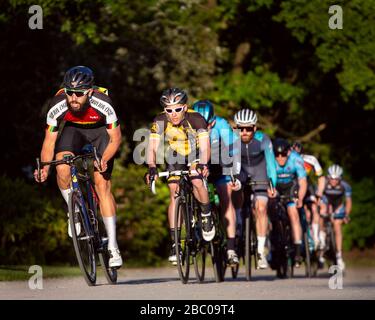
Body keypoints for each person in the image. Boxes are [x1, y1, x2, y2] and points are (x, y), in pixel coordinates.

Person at [34, 66, 123, 268]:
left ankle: (113, 246)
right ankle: (72, 209)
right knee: (62, 166)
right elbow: (49, 142)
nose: (73, 98)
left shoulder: (104, 103)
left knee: (102, 185)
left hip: (101, 133)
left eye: (79, 94)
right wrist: (45, 168)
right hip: (74, 131)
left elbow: (116, 139)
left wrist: (105, 159)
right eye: (69, 92)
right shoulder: (57, 105)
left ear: (90, 92)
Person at [145, 88, 215, 265]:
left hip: (196, 152)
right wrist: (152, 167)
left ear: (185, 107)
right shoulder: (160, 120)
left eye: (177, 109)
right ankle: (175, 244)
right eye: (169, 110)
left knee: (196, 179)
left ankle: (206, 215)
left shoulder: (197, 119)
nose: (173, 114)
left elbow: (206, 147)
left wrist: (203, 164)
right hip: (175, 154)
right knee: (174, 191)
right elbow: (152, 147)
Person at [192, 100, 241, 266]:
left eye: (207, 125)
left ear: (213, 121)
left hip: (220, 164)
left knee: (226, 198)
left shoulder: (221, 125)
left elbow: (233, 149)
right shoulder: (189, 123)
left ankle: (231, 249)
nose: (204, 128)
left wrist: (234, 172)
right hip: (199, 163)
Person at [232, 109, 277, 269]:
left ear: (255, 128)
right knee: (234, 196)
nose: (244, 132)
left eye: (248, 128)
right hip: (241, 173)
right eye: (240, 128)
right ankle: (236, 227)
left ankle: (260, 251)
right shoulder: (231, 140)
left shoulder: (263, 140)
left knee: (261, 208)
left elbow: (271, 164)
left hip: (260, 174)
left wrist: (272, 183)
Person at [270, 138, 307, 268]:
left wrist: (301, 198)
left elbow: (302, 181)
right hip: (276, 187)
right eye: (277, 155)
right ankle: (272, 247)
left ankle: (297, 250)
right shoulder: (270, 159)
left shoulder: (296, 159)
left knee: (293, 214)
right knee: (272, 213)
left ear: (288, 153)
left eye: (283, 154)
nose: (280, 158)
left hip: (291, 187)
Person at [292, 141, 326, 248]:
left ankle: (315, 237)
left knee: (315, 208)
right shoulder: (288, 160)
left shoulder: (311, 160)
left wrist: (319, 193)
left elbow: (321, 177)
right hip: (293, 187)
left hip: (308, 187)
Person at [319, 164, 352, 270]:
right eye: (331, 178)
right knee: (322, 214)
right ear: (328, 177)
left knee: (337, 225)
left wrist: (346, 214)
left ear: (340, 178)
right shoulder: (323, 184)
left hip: (338, 206)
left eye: (336, 179)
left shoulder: (345, 186)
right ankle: (321, 239)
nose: (333, 181)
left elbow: (348, 202)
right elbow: (319, 198)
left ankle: (338, 255)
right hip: (326, 203)